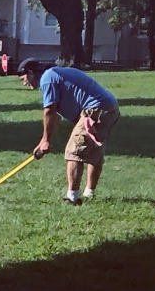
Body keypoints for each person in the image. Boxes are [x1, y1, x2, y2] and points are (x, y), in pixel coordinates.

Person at [21, 58, 119, 203]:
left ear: (30, 73)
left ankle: (72, 197)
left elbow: (49, 111)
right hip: (109, 108)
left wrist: (45, 140)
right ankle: (89, 194)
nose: (24, 83)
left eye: (23, 78)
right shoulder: (56, 75)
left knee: (73, 152)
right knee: (93, 152)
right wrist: (47, 139)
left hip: (94, 109)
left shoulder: (47, 78)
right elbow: (55, 117)